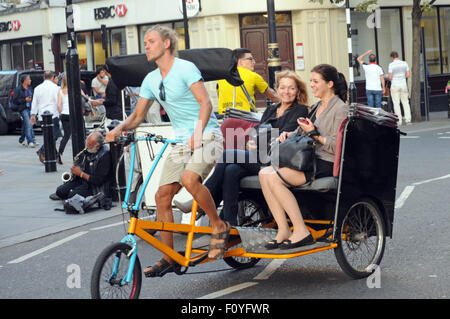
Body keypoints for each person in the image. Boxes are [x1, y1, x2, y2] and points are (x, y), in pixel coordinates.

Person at [106, 25, 228, 276]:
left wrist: (197, 133)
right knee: (162, 196)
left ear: (166, 44)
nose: (146, 46)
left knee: (189, 179)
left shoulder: (185, 68)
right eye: (145, 42)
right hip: (182, 141)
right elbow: (138, 115)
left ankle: (218, 224)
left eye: (150, 41)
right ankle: (169, 257)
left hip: (209, 135)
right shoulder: (150, 79)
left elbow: (205, 102)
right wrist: (118, 128)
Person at [175, 70, 309, 227]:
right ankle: (229, 224)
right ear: (277, 89)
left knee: (227, 155)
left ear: (298, 91)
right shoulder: (272, 109)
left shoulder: (300, 110)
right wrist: (250, 142)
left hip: (277, 160)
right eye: (283, 87)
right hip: (259, 155)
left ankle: (199, 202)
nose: (286, 92)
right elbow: (258, 131)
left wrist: (260, 140)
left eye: (291, 88)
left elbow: (282, 136)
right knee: (231, 170)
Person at [259, 64, 349, 250]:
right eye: (311, 81)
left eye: (316, 82)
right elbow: (302, 131)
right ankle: (283, 229)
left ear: (330, 84)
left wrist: (315, 133)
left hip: (325, 162)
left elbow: (337, 147)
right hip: (310, 158)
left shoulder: (340, 108)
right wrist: (289, 135)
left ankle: (301, 231)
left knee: (274, 179)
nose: (312, 85)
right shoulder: (317, 107)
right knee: (264, 174)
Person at [49, 132, 111, 201]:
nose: (86, 146)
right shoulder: (89, 151)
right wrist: (76, 170)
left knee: (72, 195)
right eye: (86, 143)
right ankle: (70, 195)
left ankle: (72, 196)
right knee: (60, 191)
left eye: (89, 145)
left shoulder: (104, 156)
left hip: (94, 187)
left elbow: (98, 180)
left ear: (97, 146)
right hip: (84, 181)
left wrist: (81, 173)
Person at [217, 48, 279, 114]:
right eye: (250, 59)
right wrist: (288, 104)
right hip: (245, 116)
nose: (254, 62)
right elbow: (272, 96)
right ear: (240, 61)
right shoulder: (253, 76)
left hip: (224, 116)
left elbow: (219, 96)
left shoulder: (221, 77)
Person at [30, 71, 62, 164]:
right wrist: (61, 112)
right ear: (52, 78)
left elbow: (34, 102)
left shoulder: (37, 88)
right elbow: (58, 102)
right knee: (54, 136)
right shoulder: (56, 88)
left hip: (42, 116)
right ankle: (43, 151)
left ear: (44, 78)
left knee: (48, 136)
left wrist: (33, 115)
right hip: (53, 114)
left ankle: (53, 155)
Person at [12, 74, 37, 148]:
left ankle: (22, 139)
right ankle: (31, 141)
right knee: (28, 124)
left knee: (26, 124)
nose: (30, 80)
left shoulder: (29, 88)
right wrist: (24, 100)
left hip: (30, 108)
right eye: (29, 79)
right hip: (23, 109)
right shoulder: (18, 89)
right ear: (25, 81)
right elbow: (15, 100)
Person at [388, 51, 411, 125]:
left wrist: (388, 78)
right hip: (403, 84)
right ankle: (408, 119)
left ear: (392, 57)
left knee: (396, 103)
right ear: (398, 56)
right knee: (405, 102)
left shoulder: (391, 65)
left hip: (395, 85)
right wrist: (402, 77)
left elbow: (390, 77)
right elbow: (408, 75)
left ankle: (399, 120)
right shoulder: (404, 63)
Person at [56, 75, 71, 165]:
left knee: (66, 135)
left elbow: (58, 105)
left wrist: (61, 112)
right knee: (79, 134)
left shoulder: (60, 91)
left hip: (64, 114)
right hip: (72, 114)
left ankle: (60, 153)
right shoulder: (73, 90)